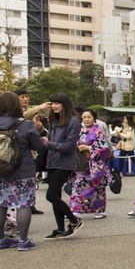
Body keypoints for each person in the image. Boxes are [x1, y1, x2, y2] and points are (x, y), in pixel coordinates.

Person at [0, 91, 45, 250]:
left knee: (1, 204)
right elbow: (38, 146)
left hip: (1, 171)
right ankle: (23, 241)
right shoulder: (24, 124)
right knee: (23, 204)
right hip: (22, 170)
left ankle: (1, 239)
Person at [41, 93, 83, 240]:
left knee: (50, 195)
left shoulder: (73, 121)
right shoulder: (54, 120)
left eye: (57, 103)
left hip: (64, 164)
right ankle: (60, 228)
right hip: (52, 162)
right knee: (55, 196)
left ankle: (74, 220)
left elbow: (69, 146)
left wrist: (49, 144)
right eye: (52, 103)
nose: (54, 106)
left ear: (65, 104)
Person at [69, 109, 113, 220]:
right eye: (84, 117)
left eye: (89, 117)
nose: (86, 119)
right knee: (78, 187)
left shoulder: (98, 131)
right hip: (81, 163)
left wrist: (88, 147)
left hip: (95, 165)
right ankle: (76, 209)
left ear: (94, 118)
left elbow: (103, 147)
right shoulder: (79, 130)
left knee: (98, 188)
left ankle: (100, 210)